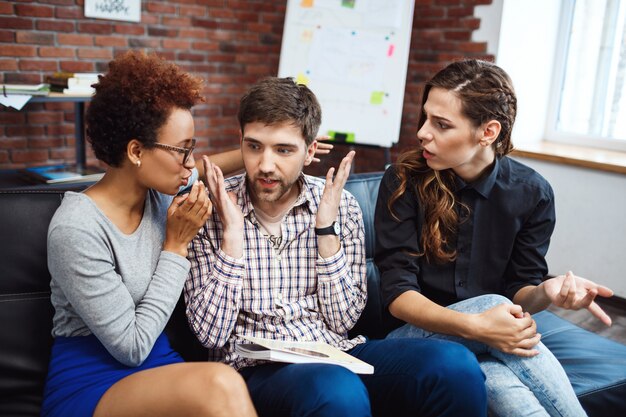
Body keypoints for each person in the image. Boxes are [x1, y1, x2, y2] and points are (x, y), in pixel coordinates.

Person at [185, 76, 488, 417]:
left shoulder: (339, 204)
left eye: (283, 150)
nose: (266, 165)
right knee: (335, 390)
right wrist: (233, 236)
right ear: (240, 142)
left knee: (454, 365)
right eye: (254, 146)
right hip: (253, 370)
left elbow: (342, 320)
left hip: (334, 351)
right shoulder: (211, 209)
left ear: (310, 150)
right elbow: (210, 335)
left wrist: (326, 230)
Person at [374, 59, 615, 417]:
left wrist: (545, 292)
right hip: (416, 339)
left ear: (487, 132)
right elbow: (398, 296)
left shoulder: (532, 192)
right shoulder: (403, 181)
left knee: (516, 400)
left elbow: (521, 290)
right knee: (492, 306)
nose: (423, 133)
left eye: (441, 124)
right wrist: (480, 325)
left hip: (493, 343)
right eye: (426, 118)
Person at [41, 51, 259, 417]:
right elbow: (132, 346)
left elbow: (206, 168)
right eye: (182, 150)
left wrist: (262, 149)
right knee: (221, 384)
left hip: (159, 367)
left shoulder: (161, 187)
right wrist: (176, 245)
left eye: (192, 148)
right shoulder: (75, 229)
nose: (191, 163)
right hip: (93, 381)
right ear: (136, 151)